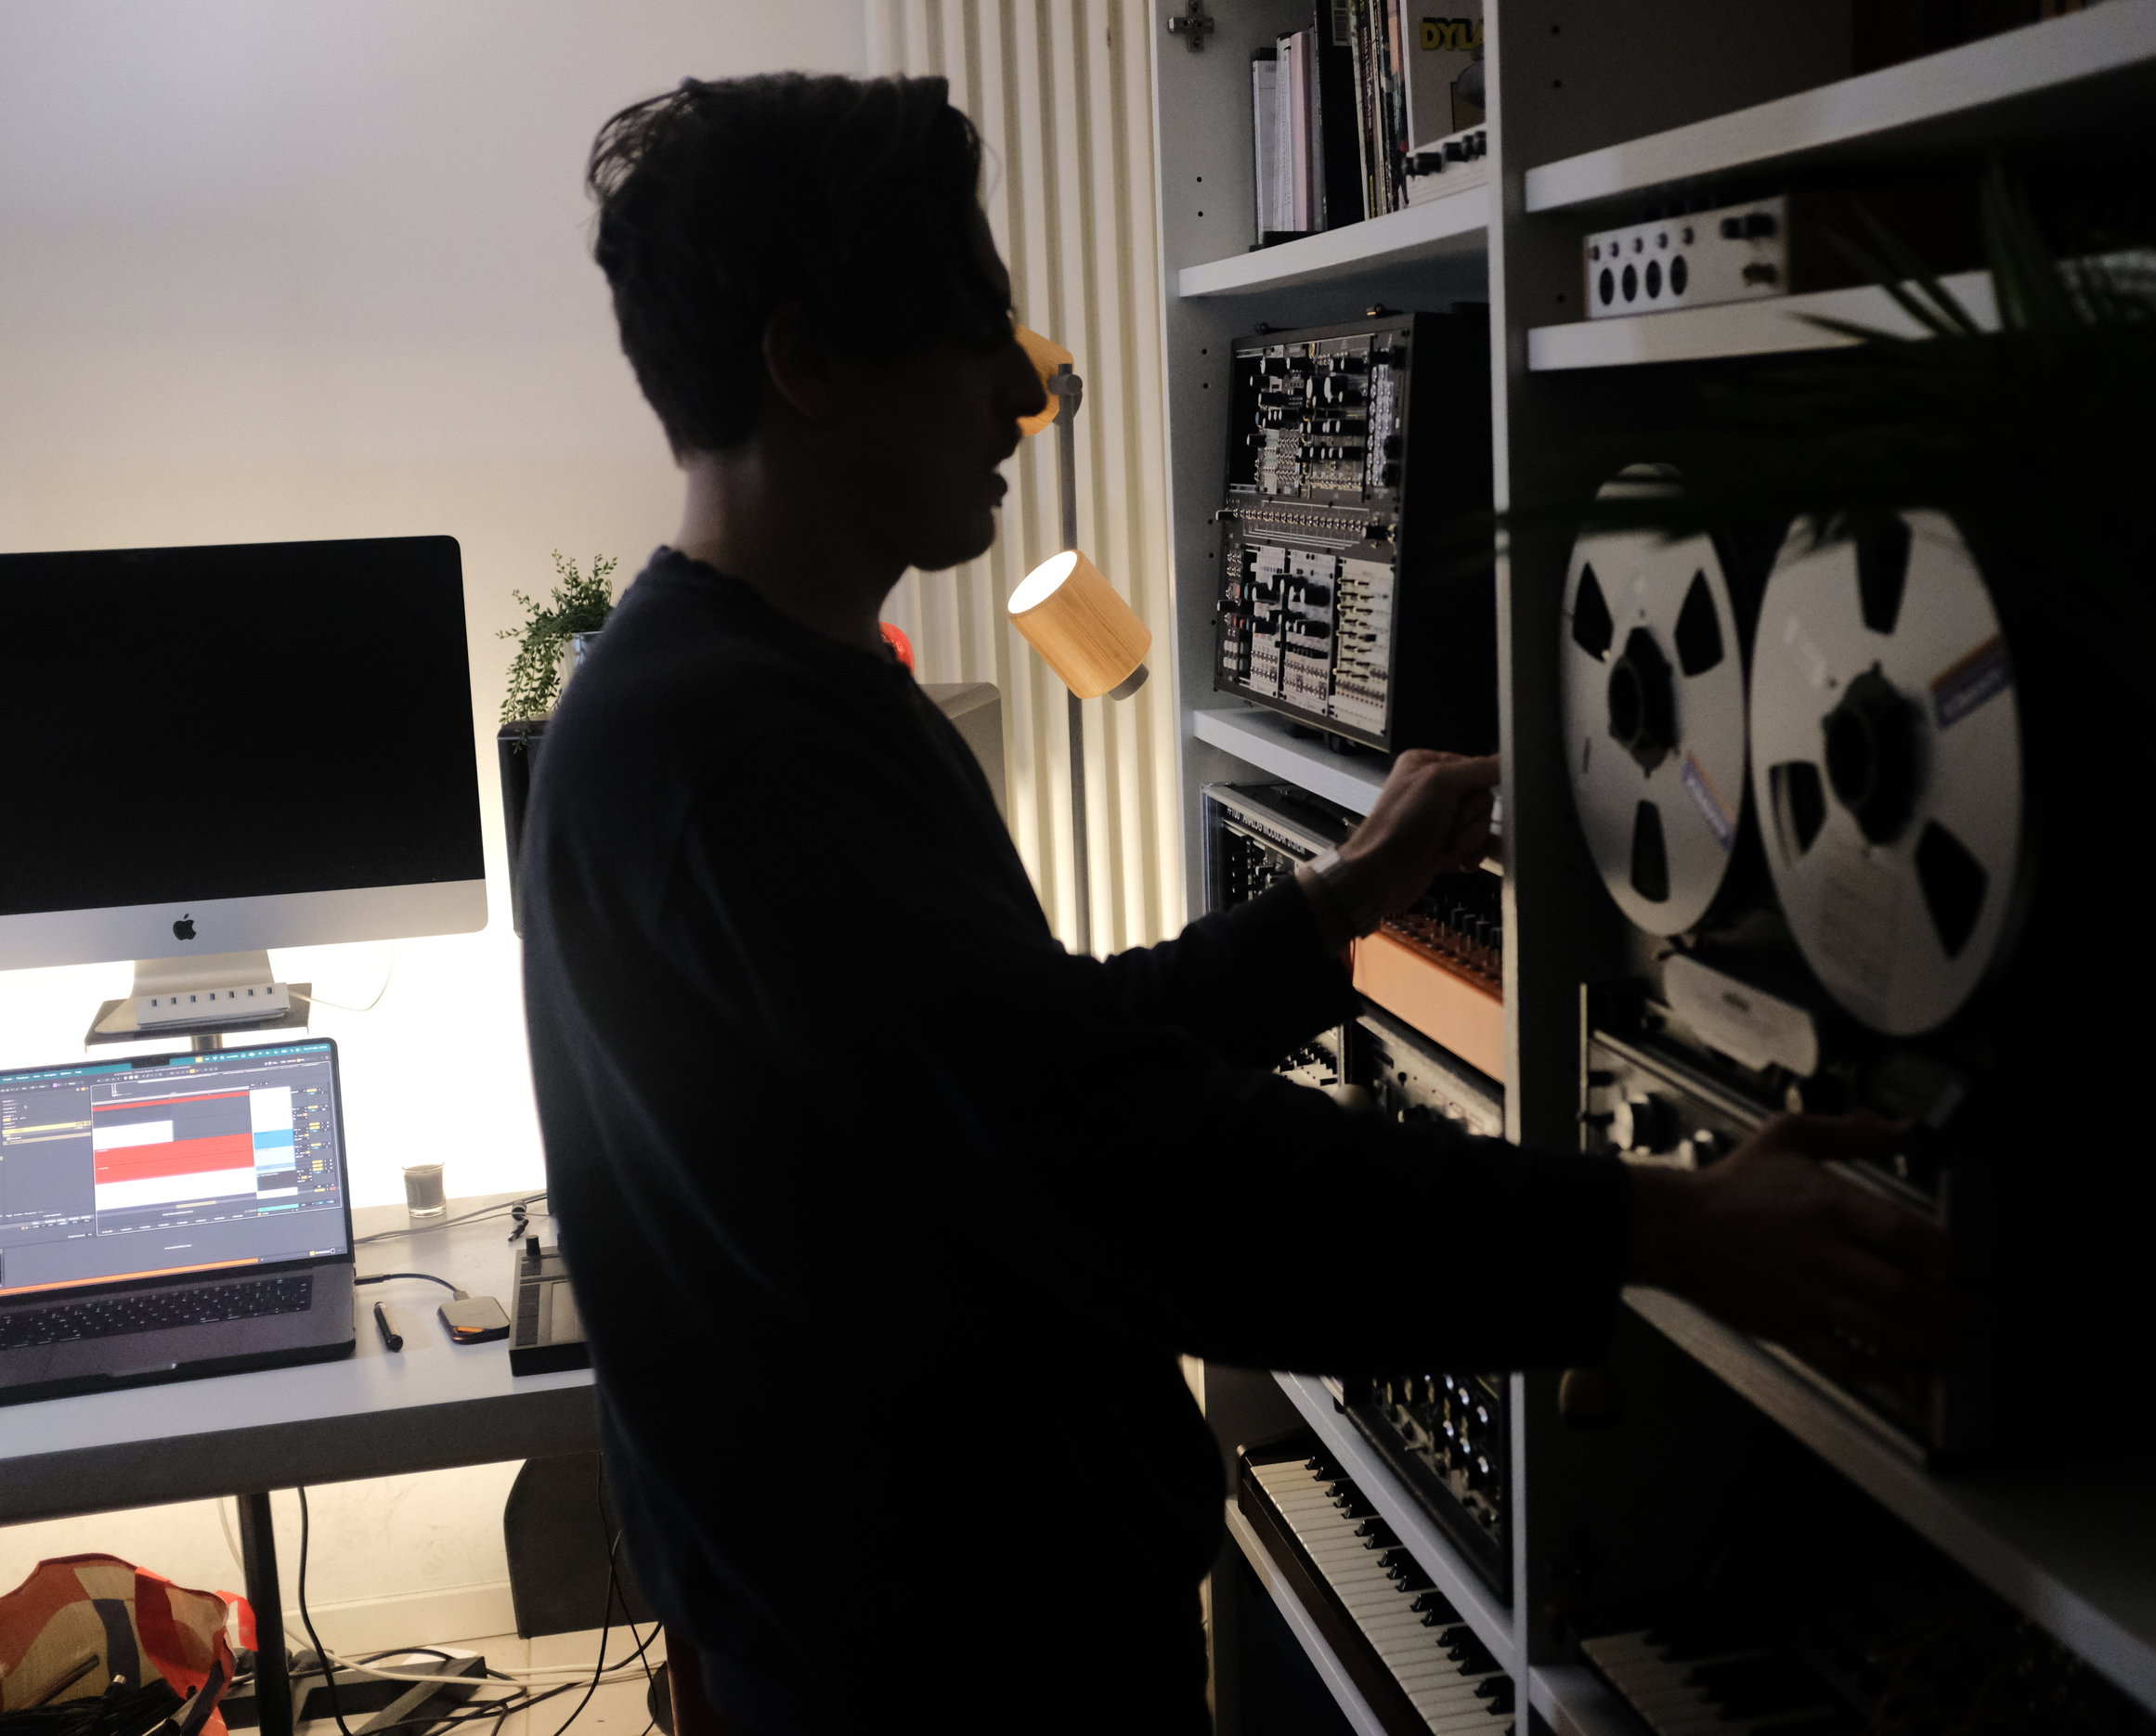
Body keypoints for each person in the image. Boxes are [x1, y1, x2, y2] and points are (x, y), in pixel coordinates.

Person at [519, 71, 1952, 1730]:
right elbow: (1131, 1166)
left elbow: (1032, 1063)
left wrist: (1339, 902)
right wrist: (1658, 1226)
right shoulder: (742, 762)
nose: (1022, 390)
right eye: (976, 330)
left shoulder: (751, 695)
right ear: (808, 361)